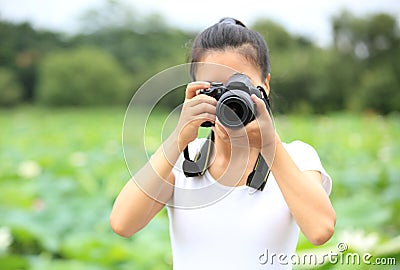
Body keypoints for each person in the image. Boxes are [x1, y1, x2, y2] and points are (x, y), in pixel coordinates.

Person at [110, 18, 336, 269]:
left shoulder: (296, 156)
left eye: (240, 86)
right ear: (196, 92)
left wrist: (271, 146)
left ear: (266, 86)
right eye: (217, 88)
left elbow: (320, 230)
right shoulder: (185, 160)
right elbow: (122, 224)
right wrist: (178, 139)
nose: (229, 99)